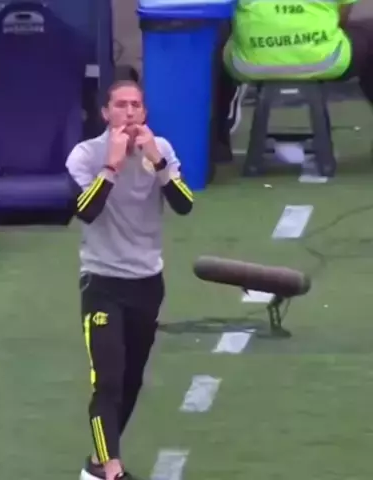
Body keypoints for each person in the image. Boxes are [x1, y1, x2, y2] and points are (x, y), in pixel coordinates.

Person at [65, 80, 194, 480]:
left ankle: (97, 464)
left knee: (130, 381)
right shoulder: (86, 155)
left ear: (145, 112)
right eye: (120, 105)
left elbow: (184, 204)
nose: (129, 112)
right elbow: (85, 211)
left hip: (146, 282)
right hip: (102, 281)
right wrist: (111, 167)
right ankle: (112, 469)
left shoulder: (161, 149)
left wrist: (158, 162)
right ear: (106, 113)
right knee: (107, 380)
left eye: (136, 105)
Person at [211, 0, 373, 166]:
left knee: (212, 40)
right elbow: (343, 13)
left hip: (250, 63)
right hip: (324, 60)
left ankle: (215, 143)